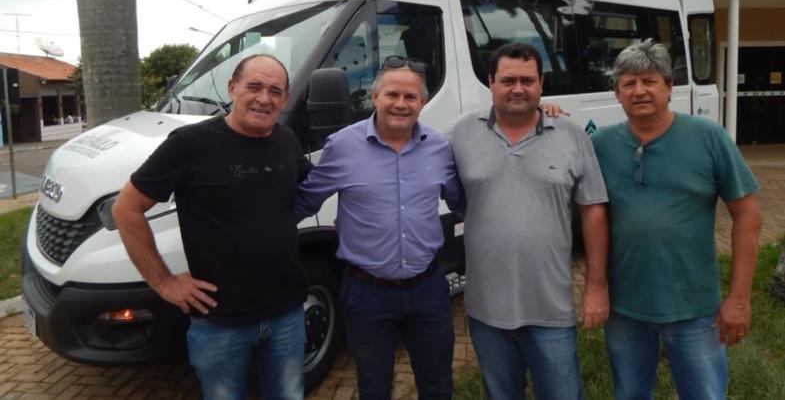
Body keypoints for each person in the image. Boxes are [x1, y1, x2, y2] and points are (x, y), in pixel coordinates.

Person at [112, 54, 311, 400]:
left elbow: (311, 189)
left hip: (287, 315)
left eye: (275, 91)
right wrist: (163, 282)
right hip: (220, 322)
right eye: (254, 87)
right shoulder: (189, 144)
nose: (264, 98)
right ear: (233, 88)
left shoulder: (287, 141)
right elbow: (126, 208)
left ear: (285, 99)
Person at [591, 39, 762, 400]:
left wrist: (739, 298)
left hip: (695, 308)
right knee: (629, 393)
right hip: (625, 307)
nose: (639, 91)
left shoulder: (709, 137)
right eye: (628, 83)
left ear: (669, 87)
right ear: (617, 93)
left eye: (649, 81)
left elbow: (747, 215)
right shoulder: (600, 145)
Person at [446, 42, 609, 400]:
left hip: (551, 308)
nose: (518, 89)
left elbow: (593, 209)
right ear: (490, 82)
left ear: (541, 84)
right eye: (508, 80)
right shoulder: (460, 133)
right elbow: (418, 171)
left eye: (527, 80)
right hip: (486, 309)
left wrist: (596, 286)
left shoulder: (571, 135)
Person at [296, 56, 464, 400]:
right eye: (392, 95)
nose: (401, 104)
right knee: (374, 388)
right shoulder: (342, 146)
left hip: (428, 289)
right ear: (375, 97)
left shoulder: (440, 148)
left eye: (410, 97)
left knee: (438, 385)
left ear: (423, 102)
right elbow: (304, 203)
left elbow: (463, 202)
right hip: (366, 293)